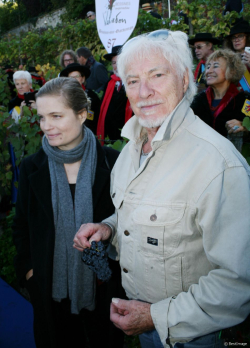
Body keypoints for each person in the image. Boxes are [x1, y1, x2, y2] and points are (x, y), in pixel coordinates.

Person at [74, 30, 250, 348]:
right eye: (132, 80)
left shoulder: (220, 166)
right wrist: (108, 228)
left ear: (184, 80)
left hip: (192, 334)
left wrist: (157, 317)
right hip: (144, 323)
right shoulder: (131, 150)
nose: (144, 92)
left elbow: (239, 282)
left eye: (157, 75)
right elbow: (145, 213)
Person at [12, 77, 125, 348]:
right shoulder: (31, 167)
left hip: (102, 288)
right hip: (50, 289)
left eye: (56, 116)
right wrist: (31, 274)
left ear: (82, 114)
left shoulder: (113, 162)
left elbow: (128, 220)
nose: (46, 126)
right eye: (41, 117)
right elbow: (23, 226)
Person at [191, 49, 249, 137]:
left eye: (215, 66)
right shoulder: (198, 100)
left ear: (231, 71)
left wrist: (245, 127)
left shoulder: (244, 100)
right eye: (208, 66)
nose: (209, 71)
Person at [96, 45, 133, 144]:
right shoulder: (110, 82)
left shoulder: (133, 81)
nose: (116, 66)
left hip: (128, 130)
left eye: (119, 62)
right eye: (113, 63)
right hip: (111, 134)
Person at [60, 62, 101, 134]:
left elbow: (98, 118)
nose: (74, 80)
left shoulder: (92, 96)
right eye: (71, 78)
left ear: (82, 79)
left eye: (77, 76)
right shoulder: (63, 97)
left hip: (90, 133)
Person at [223, 20, 250, 92]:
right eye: (233, 37)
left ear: (247, 37)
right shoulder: (227, 58)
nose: (236, 40)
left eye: (240, 36)